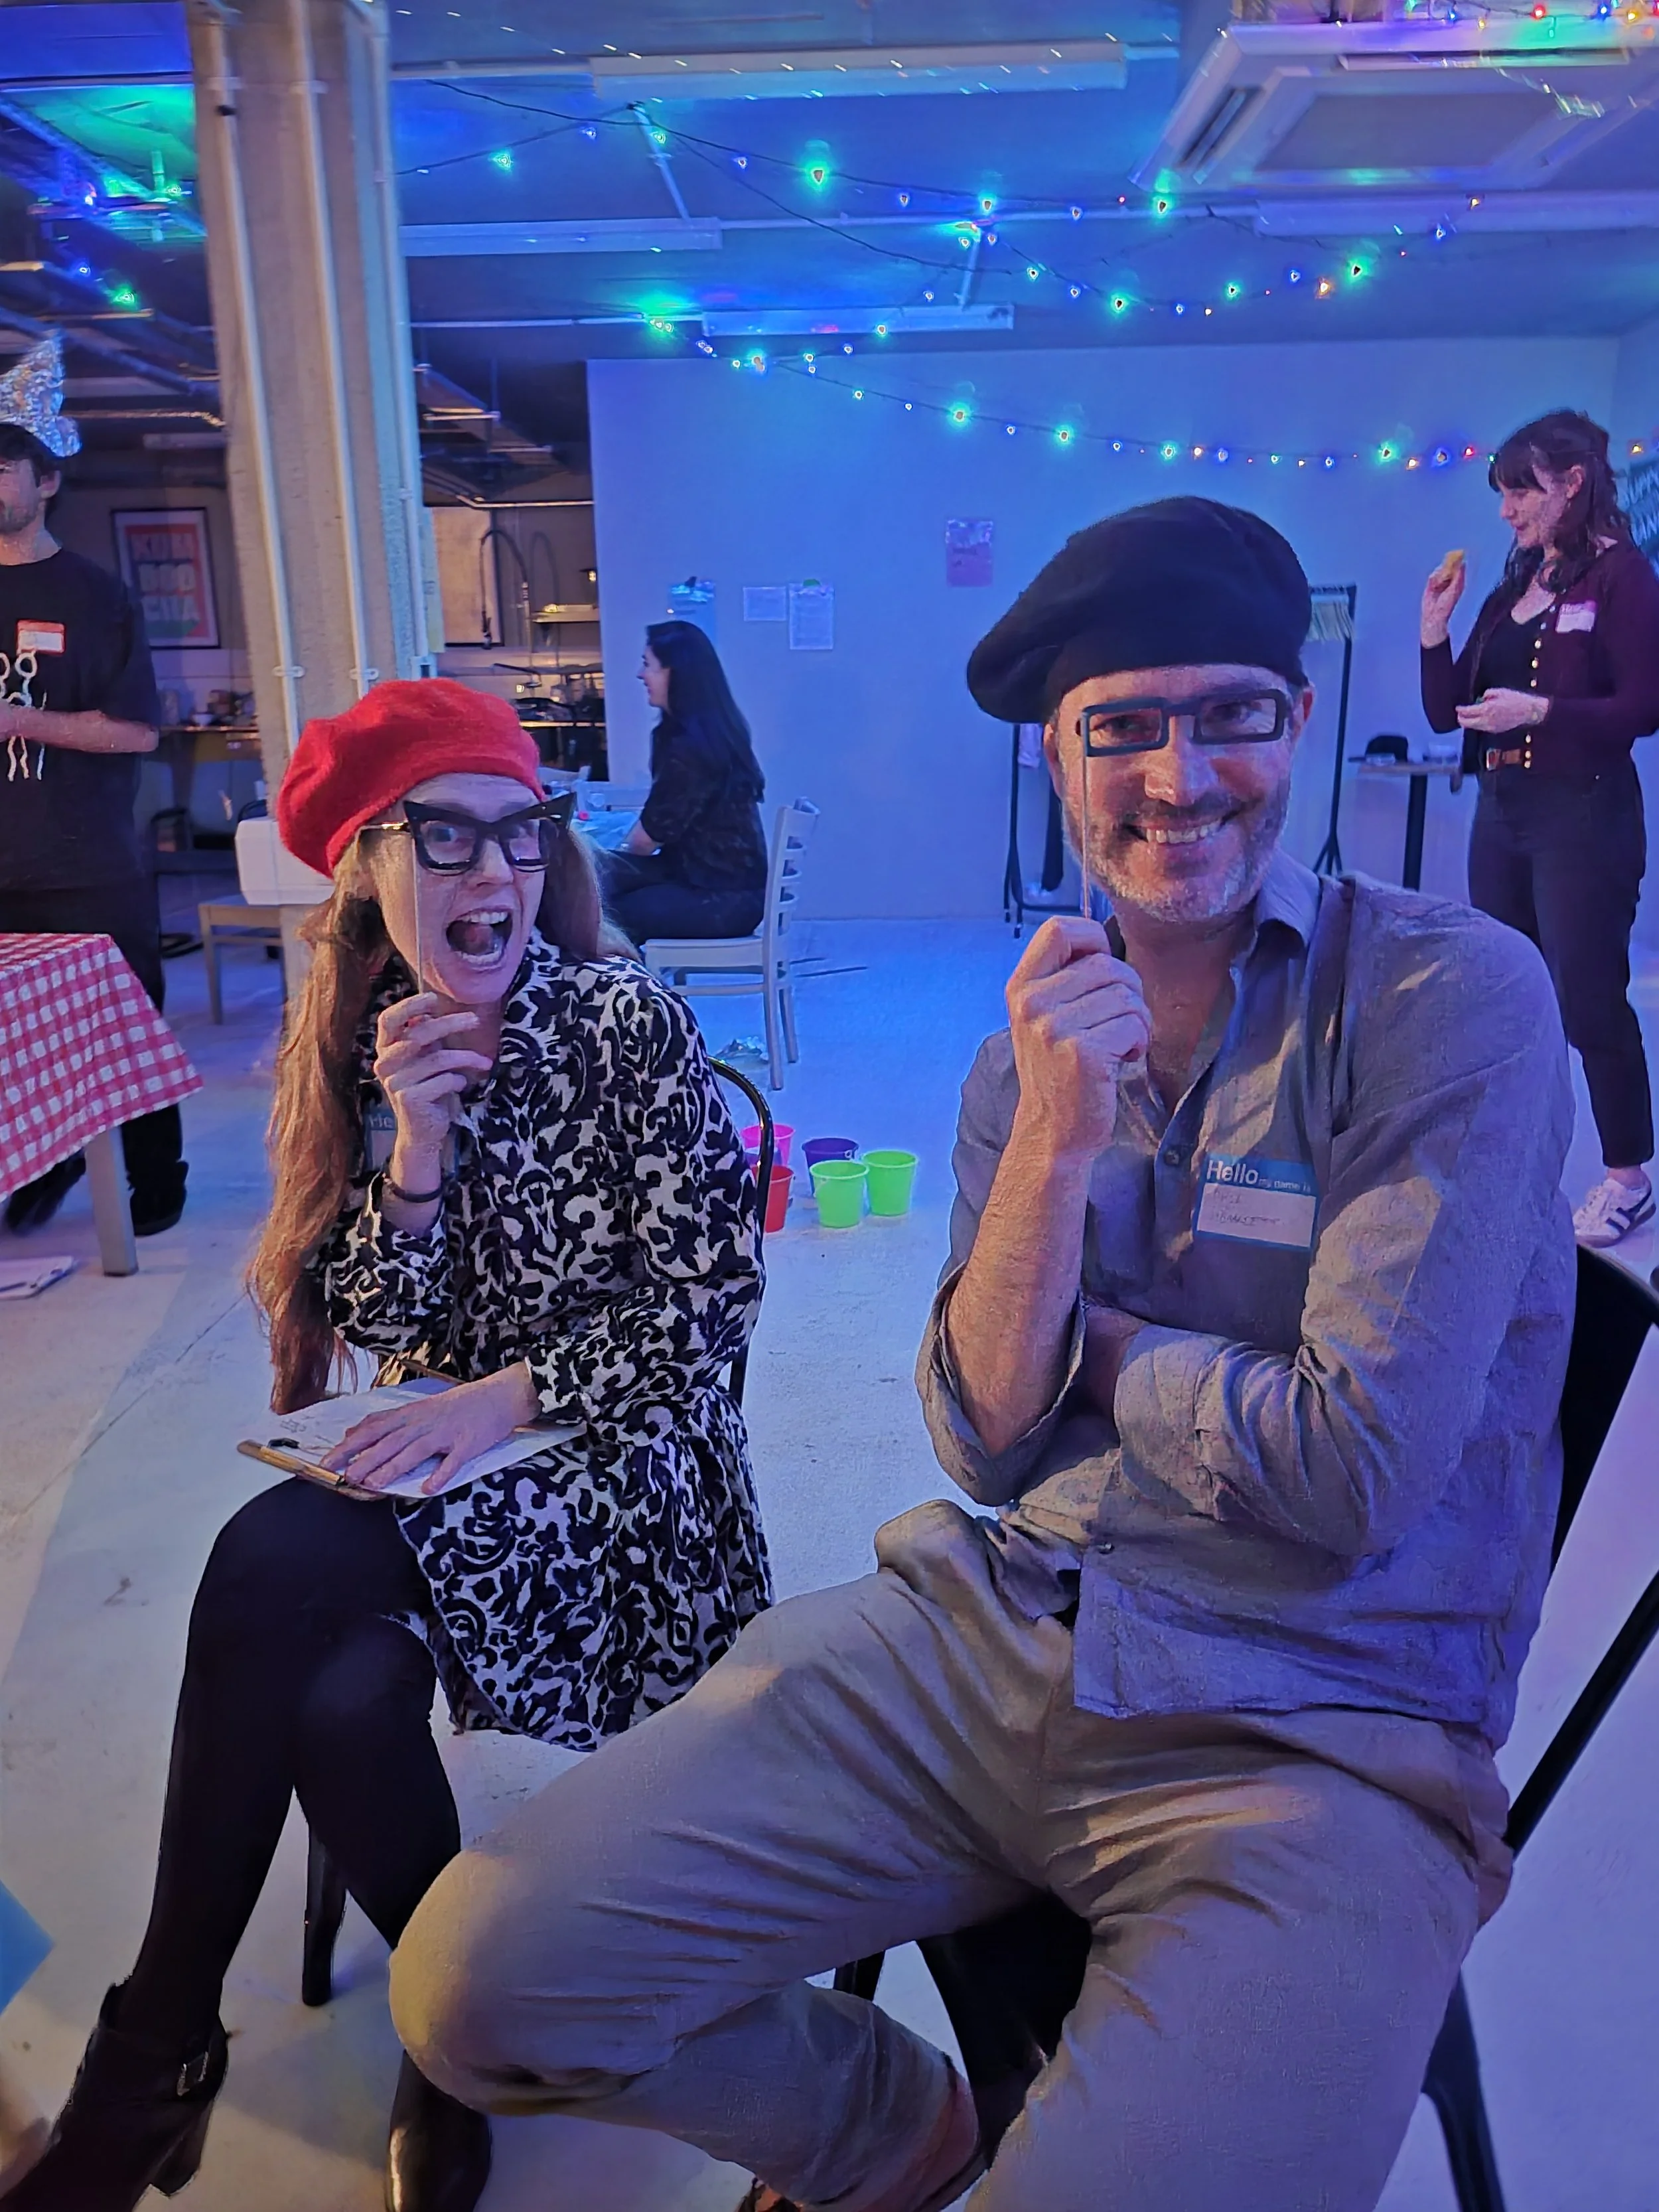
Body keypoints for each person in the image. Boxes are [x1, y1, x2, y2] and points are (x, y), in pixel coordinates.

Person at [386, 500, 1575, 2212]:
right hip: (990, 1639)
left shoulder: (1440, 1002)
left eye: (1230, 713)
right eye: (1125, 730)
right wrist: (1054, 1145)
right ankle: (896, 2135)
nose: (1181, 780)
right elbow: (977, 1431)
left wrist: (1099, 1345)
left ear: (1297, 723)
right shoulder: (1030, 1052)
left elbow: (1356, 1475)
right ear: (1060, 756)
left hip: (1322, 1739)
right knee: (474, 1986)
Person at [3, 680, 771, 2212]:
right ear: (367, 867)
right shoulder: (376, 1039)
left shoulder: (622, 1019)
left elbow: (710, 1314)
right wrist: (413, 1156)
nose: (490, 874)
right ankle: (454, 2043)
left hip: (628, 1482)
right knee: (345, 1701)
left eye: (514, 837)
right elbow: (373, 1309)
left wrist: (500, 1399)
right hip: (454, 1478)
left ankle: (154, 2049)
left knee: (264, 1555)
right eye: (443, 838)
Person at [1421, 408, 1659, 1250]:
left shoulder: (1622, 577)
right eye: (1501, 494)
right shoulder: (1516, 579)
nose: (1505, 510)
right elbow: (1446, 714)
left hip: (1582, 818)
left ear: (1571, 484)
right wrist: (1434, 628)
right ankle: (1520, 1158)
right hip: (1502, 815)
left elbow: (1644, 705)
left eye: (1519, 490)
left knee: (1589, 1001)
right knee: (1510, 997)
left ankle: (1629, 1177)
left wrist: (1543, 710)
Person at [0, 333, 186, 1237]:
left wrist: (22, 722)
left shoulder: (97, 596)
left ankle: (157, 1178)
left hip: (85, 856)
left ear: (47, 482)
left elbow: (139, 730)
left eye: (5, 468)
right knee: (14, 1047)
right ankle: (45, 1165)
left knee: (126, 1022)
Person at [597, 619, 768, 944]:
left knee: (600, 908)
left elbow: (647, 841)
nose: (640, 674)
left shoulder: (691, 750)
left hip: (724, 897)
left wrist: (618, 853)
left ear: (676, 673)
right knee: (596, 874)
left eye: (648, 665)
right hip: (708, 877)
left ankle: (612, 989)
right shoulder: (705, 734)